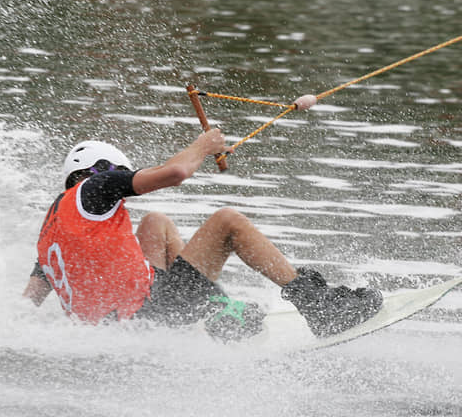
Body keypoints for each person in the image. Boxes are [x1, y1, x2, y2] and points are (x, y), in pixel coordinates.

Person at [23, 94, 383, 341]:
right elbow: (176, 172)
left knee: (155, 222)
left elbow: (29, 300)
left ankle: (221, 311)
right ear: (104, 170)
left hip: (121, 327)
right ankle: (321, 310)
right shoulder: (99, 184)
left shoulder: (52, 226)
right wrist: (205, 145)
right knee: (227, 221)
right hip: (150, 315)